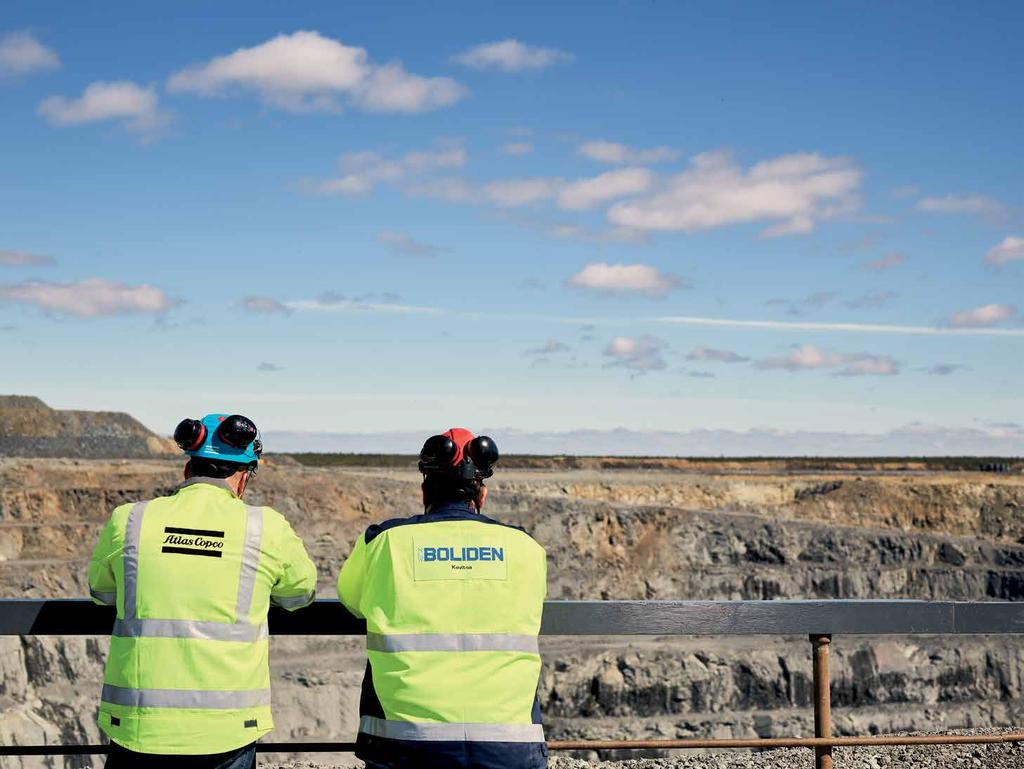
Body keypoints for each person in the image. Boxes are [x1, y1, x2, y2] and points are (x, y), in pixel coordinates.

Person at [87, 413, 317, 769]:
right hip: (227, 731)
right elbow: (299, 594)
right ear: (242, 478)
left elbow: (101, 592)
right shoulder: (266, 527)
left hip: (138, 727)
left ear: (187, 471)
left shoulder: (129, 519)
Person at [338, 428, 548, 769]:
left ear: (424, 490)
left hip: (407, 744)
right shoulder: (525, 547)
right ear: (482, 495)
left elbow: (351, 599)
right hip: (510, 744)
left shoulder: (383, 542)